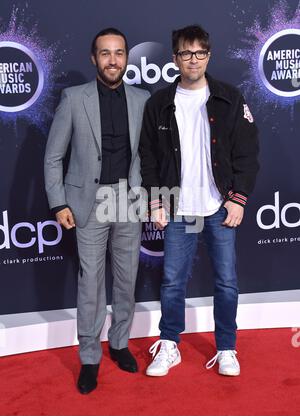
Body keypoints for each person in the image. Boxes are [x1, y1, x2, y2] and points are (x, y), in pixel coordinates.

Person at [139, 25, 259, 377]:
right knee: (173, 281)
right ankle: (170, 344)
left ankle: (226, 348)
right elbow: (147, 156)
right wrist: (156, 201)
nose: (194, 60)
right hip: (178, 208)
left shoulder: (229, 98)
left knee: (226, 281)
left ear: (209, 55)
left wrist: (238, 199)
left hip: (219, 206)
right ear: (174, 58)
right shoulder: (159, 103)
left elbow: (248, 153)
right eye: (186, 53)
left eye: (200, 53)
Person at [44, 28, 150, 394]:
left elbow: (146, 155)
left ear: (126, 57)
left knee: (126, 279)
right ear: (94, 59)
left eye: (119, 53)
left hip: (128, 200)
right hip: (88, 202)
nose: (113, 60)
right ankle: (89, 358)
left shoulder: (141, 98)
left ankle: (119, 344)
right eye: (105, 53)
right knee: (91, 283)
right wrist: (59, 202)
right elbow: (53, 157)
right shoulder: (74, 98)